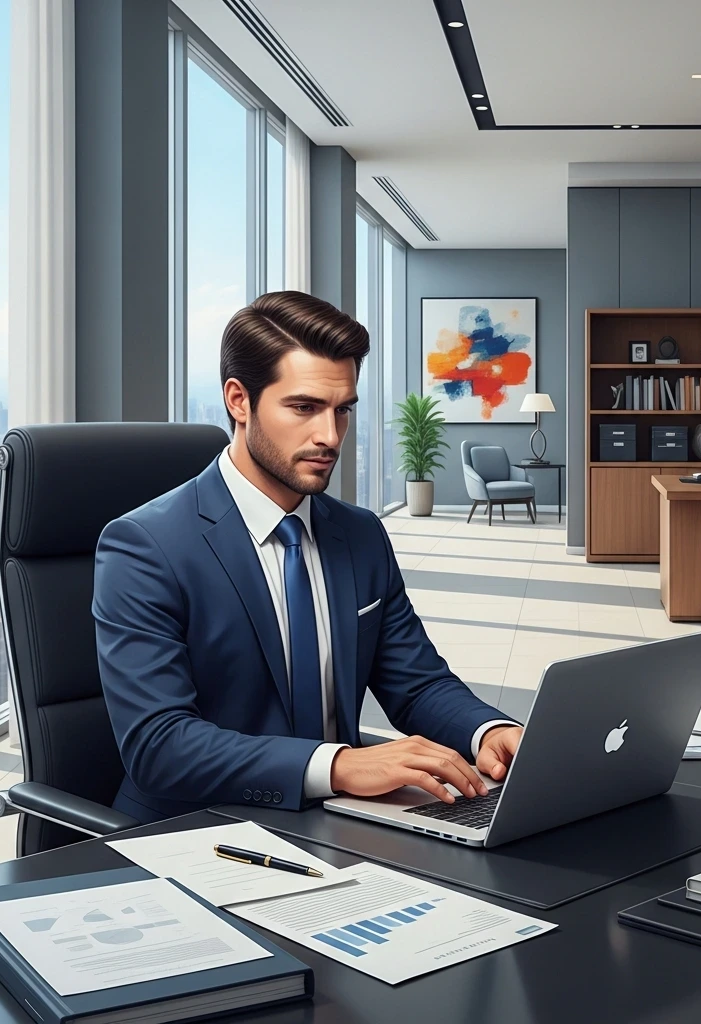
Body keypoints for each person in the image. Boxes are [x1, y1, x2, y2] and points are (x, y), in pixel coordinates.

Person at [93, 291, 523, 824]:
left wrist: (491, 731)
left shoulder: (360, 534)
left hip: (338, 823)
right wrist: (339, 765)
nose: (329, 436)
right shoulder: (144, 547)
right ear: (238, 400)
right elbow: (160, 745)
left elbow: (416, 681)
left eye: (342, 410)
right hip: (195, 830)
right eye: (304, 407)